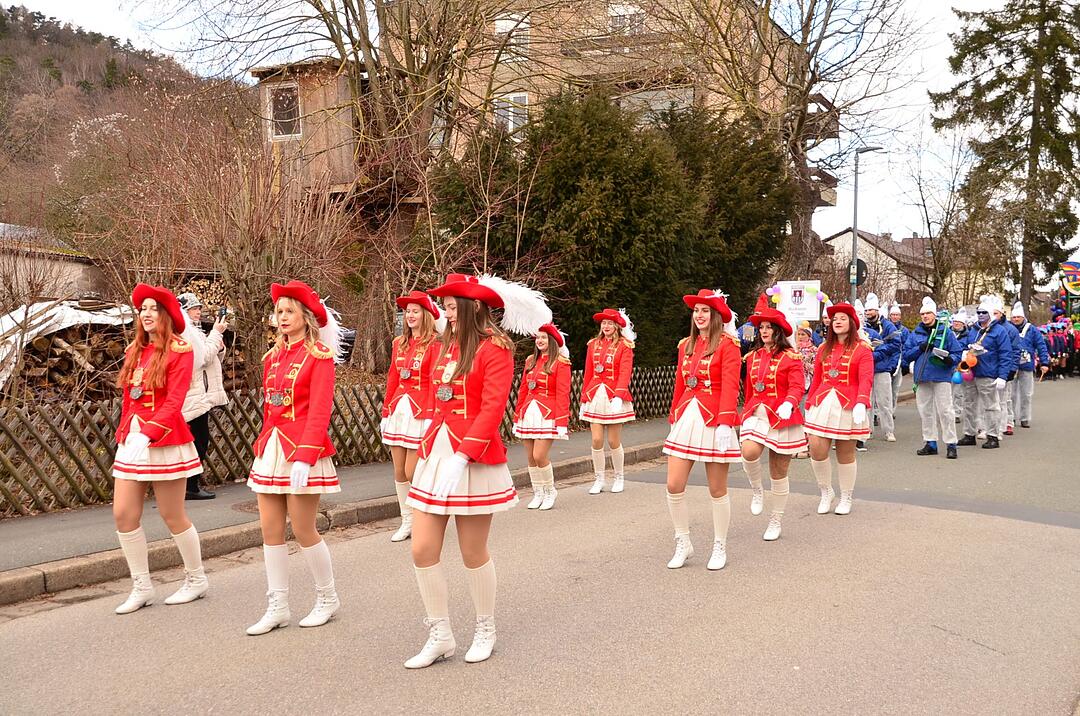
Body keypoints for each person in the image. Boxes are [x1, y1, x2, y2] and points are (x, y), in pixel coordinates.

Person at [403, 272, 551, 668]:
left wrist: (463, 455)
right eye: (446, 307)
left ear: (473, 307)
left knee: (472, 551)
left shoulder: (495, 348)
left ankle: (485, 627)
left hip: (473, 459)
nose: (446, 314)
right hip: (438, 454)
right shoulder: (442, 346)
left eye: (452, 307)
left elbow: (492, 407)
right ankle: (440, 633)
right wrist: (429, 444)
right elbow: (437, 398)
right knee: (421, 548)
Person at [246, 280, 343, 636]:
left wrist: (305, 455)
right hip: (272, 447)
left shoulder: (319, 356)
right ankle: (278, 605)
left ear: (306, 316)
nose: (282, 317)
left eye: (289, 311)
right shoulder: (271, 357)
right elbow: (271, 410)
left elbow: (319, 410)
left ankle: (327, 597)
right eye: (279, 311)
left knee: (303, 529)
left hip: (303, 450)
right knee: (270, 530)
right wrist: (264, 446)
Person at [111, 284, 208, 614]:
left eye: (153, 308)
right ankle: (141, 585)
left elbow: (174, 402)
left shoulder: (181, 350)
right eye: (143, 309)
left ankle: (196, 579)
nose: (147, 313)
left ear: (166, 314)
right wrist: (127, 433)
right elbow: (128, 398)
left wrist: (148, 434)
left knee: (172, 514)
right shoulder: (134, 350)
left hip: (165, 440)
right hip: (133, 440)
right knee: (123, 514)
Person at [662, 290, 741, 570]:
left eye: (705, 311)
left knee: (717, 488)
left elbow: (731, 385)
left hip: (714, 418)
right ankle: (683, 541)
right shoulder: (686, 345)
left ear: (716, 315)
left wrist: (725, 421)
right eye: (696, 311)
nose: (699, 315)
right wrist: (674, 413)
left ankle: (719, 544)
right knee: (673, 484)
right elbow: (681, 384)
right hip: (687, 416)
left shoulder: (728, 345)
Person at [381, 290, 445, 543]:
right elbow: (393, 379)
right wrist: (386, 410)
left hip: (421, 412)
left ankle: (423, 518)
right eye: (407, 311)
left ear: (426, 315)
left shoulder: (435, 344)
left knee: (412, 471)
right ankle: (407, 520)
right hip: (400, 410)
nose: (410, 315)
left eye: (415, 311)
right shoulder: (399, 343)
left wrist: (431, 414)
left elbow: (434, 382)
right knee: (398, 471)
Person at [739, 308, 807, 541]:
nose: (764, 331)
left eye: (768, 327)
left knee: (778, 472)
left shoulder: (791, 357)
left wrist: (789, 402)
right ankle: (757, 489)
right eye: (762, 327)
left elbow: (797, 386)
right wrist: (745, 411)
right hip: (757, 413)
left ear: (777, 331)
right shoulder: (753, 356)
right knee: (748, 452)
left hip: (781, 416)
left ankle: (775, 519)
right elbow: (749, 389)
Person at [804, 302, 874, 515]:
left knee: (845, 453)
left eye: (843, 318)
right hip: (823, 402)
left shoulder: (863, 349)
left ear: (852, 322)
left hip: (848, 403)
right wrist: (808, 402)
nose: (838, 322)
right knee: (816, 448)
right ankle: (826, 491)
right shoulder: (824, 348)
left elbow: (865, 378)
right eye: (835, 319)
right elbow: (817, 378)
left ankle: (846, 496)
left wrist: (862, 401)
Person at [512, 323, 572, 511]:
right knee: (530, 457)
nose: (539, 340)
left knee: (540, 455)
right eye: (537, 337)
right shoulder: (531, 360)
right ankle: (537, 492)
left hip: (548, 414)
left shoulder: (561, 362)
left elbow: (563, 393)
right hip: (528, 412)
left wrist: (562, 421)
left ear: (552, 340)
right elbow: (523, 389)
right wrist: (516, 416)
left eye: (544, 337)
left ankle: (550, 490)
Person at [176, 292, 229, 501]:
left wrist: (219, 345)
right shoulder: (184, 332)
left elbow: (211, 357)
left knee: (200, 440)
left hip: (199, 393)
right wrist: (216, 334)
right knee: (197, 441)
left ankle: (191, 484)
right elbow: (203, 358)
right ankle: (190, 485)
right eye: (194, 308)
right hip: (192, 394)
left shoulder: (193, 331)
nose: (199, 311)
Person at [580, 308, 636, 495]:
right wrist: (584, 396)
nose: (606, 326)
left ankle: (619, 476)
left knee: (613, 440)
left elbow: (625, 372)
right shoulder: (593, 344)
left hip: (613, 395)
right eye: (604, 323)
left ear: (617, 326)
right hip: (595, 394)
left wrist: (619, 396)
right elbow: (589, 372)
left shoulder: (625, 346)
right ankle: (599, 478)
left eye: (610, 323)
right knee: (596, 439)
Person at [904, 298, 963, 459]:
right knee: (925, 411)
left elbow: (957, 352)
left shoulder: (946, 332)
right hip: (922, 376)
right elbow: (907, 355)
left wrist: (950, 359)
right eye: (922, 314)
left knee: (945, 411)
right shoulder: (915, 333)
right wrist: (920, 348)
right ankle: (930, 442)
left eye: (928, 313)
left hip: (941, 375)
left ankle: (951, 443)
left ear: (934, 314)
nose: (925, 316)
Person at [957, 296, 1012, 449]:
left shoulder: (999, 331)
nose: (981, 315)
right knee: (968, 404)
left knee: (991, 406)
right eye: (979, 312)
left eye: (984, 312)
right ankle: (969, 434)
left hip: (988, 373)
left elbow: (1006, 354)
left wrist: (1002, 376)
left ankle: (993, 435)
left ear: (990, 314)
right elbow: (964, 344)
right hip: (970, 372)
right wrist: (964, 352)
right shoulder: (973, 330)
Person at [863, 293, 901, 442]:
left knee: (884, 401)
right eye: (867, 311)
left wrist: (877, 353)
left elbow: (895, 344)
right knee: (867, 401)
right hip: (866, 368)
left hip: (882, 368)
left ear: (877, 311)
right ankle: (867, 429)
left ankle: (888, 430)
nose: (869, 313)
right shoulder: (863, 326)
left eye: (871, 310)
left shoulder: (887, 325)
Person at [1008, 302, 1049, 429]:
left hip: (1027, 365)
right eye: (1014, 317)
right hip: (1012, 365)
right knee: (1011, 394)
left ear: (1023, 317)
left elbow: (1041, 345)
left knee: (1026, 393)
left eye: (1018, 317)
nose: (1016, 319)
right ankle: (1011, 417)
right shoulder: (1008, 328)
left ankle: (1025, 418)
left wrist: (1044, 362)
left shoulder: (1032, 330)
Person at [994, 300, 1022, 436]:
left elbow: (1016, 351)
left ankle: (1007, 423)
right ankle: (992, 425)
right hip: (992, 369)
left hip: (1006, 368)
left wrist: (1012, 368)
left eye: (996, 313)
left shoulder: (1010, 329)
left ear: (1002, 313)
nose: (993, 316)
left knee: (1005, 399)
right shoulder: (985, 328)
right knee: (993, 400)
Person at [793, 323, 818, 459]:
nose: (801, 337)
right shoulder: (793, 349)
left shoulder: (814, 350)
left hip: (809, 385)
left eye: (803, 334)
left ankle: (807, 446)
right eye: (799, 334)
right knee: (796, 416)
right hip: (795, 385)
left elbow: (817, 368)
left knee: (806, 416)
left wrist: (805, 363)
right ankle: (796, 444)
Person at [950, 309, 971, 421]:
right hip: (948, 363)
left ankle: (957, 412)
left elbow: (970, 349)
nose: (956, 324)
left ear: (963, 324)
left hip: (961, 364)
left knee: (958, 390)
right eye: (955, 322)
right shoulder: (947, 333)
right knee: (947, 389)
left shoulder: (968, 335)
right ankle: (947, 411)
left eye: (959, 322)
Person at [888, 303, 908, 411]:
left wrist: (904, 363)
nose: (895, 317)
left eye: (897, 315)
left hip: (899, 362)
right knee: (884, 389)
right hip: (887, 361)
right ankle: (880, 411)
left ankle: (892, 409)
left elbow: (906, 346)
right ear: (890, 316)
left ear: (900, 316)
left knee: (895, 388)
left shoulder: (904, 330)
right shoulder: (886, 327)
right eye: (893, 315)